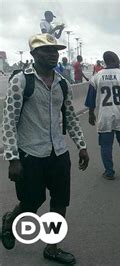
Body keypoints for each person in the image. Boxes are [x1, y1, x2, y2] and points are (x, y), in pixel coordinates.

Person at [1, 33, 89, 264]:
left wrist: (81, 145)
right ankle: (10, 219)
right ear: (33, 54)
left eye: (55, 50)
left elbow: (70, 116)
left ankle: (52, 247)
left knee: (59, 202)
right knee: (32, 202)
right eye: (46, 50)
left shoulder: (62, 83)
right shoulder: (21, 81)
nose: (53, 54)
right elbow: (9, 120)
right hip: (30, 154)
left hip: (58, 154)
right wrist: (13, 158)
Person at [85, 51, 120, 179]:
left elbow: (91, 99)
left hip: (104, 116)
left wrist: (91, 114)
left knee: (105, 145)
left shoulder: (96, 77)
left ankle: (109, 172)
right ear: (116, 60)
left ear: (105, 61)